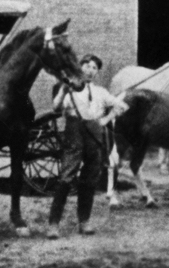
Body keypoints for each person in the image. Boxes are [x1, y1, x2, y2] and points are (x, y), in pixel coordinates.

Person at [47, 54, 127, 238]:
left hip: (94, 137)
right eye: (87, 66)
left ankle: (84, 222)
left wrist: (105, 119)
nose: (90, 70)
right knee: (66, 178)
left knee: (90, 179)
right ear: (79, 67)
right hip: (74, 135)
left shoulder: (100, 92)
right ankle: (53, 224)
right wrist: (63, 92)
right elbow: (56, 108)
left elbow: (122, 106)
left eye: (94, 68)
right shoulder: (69, 88)